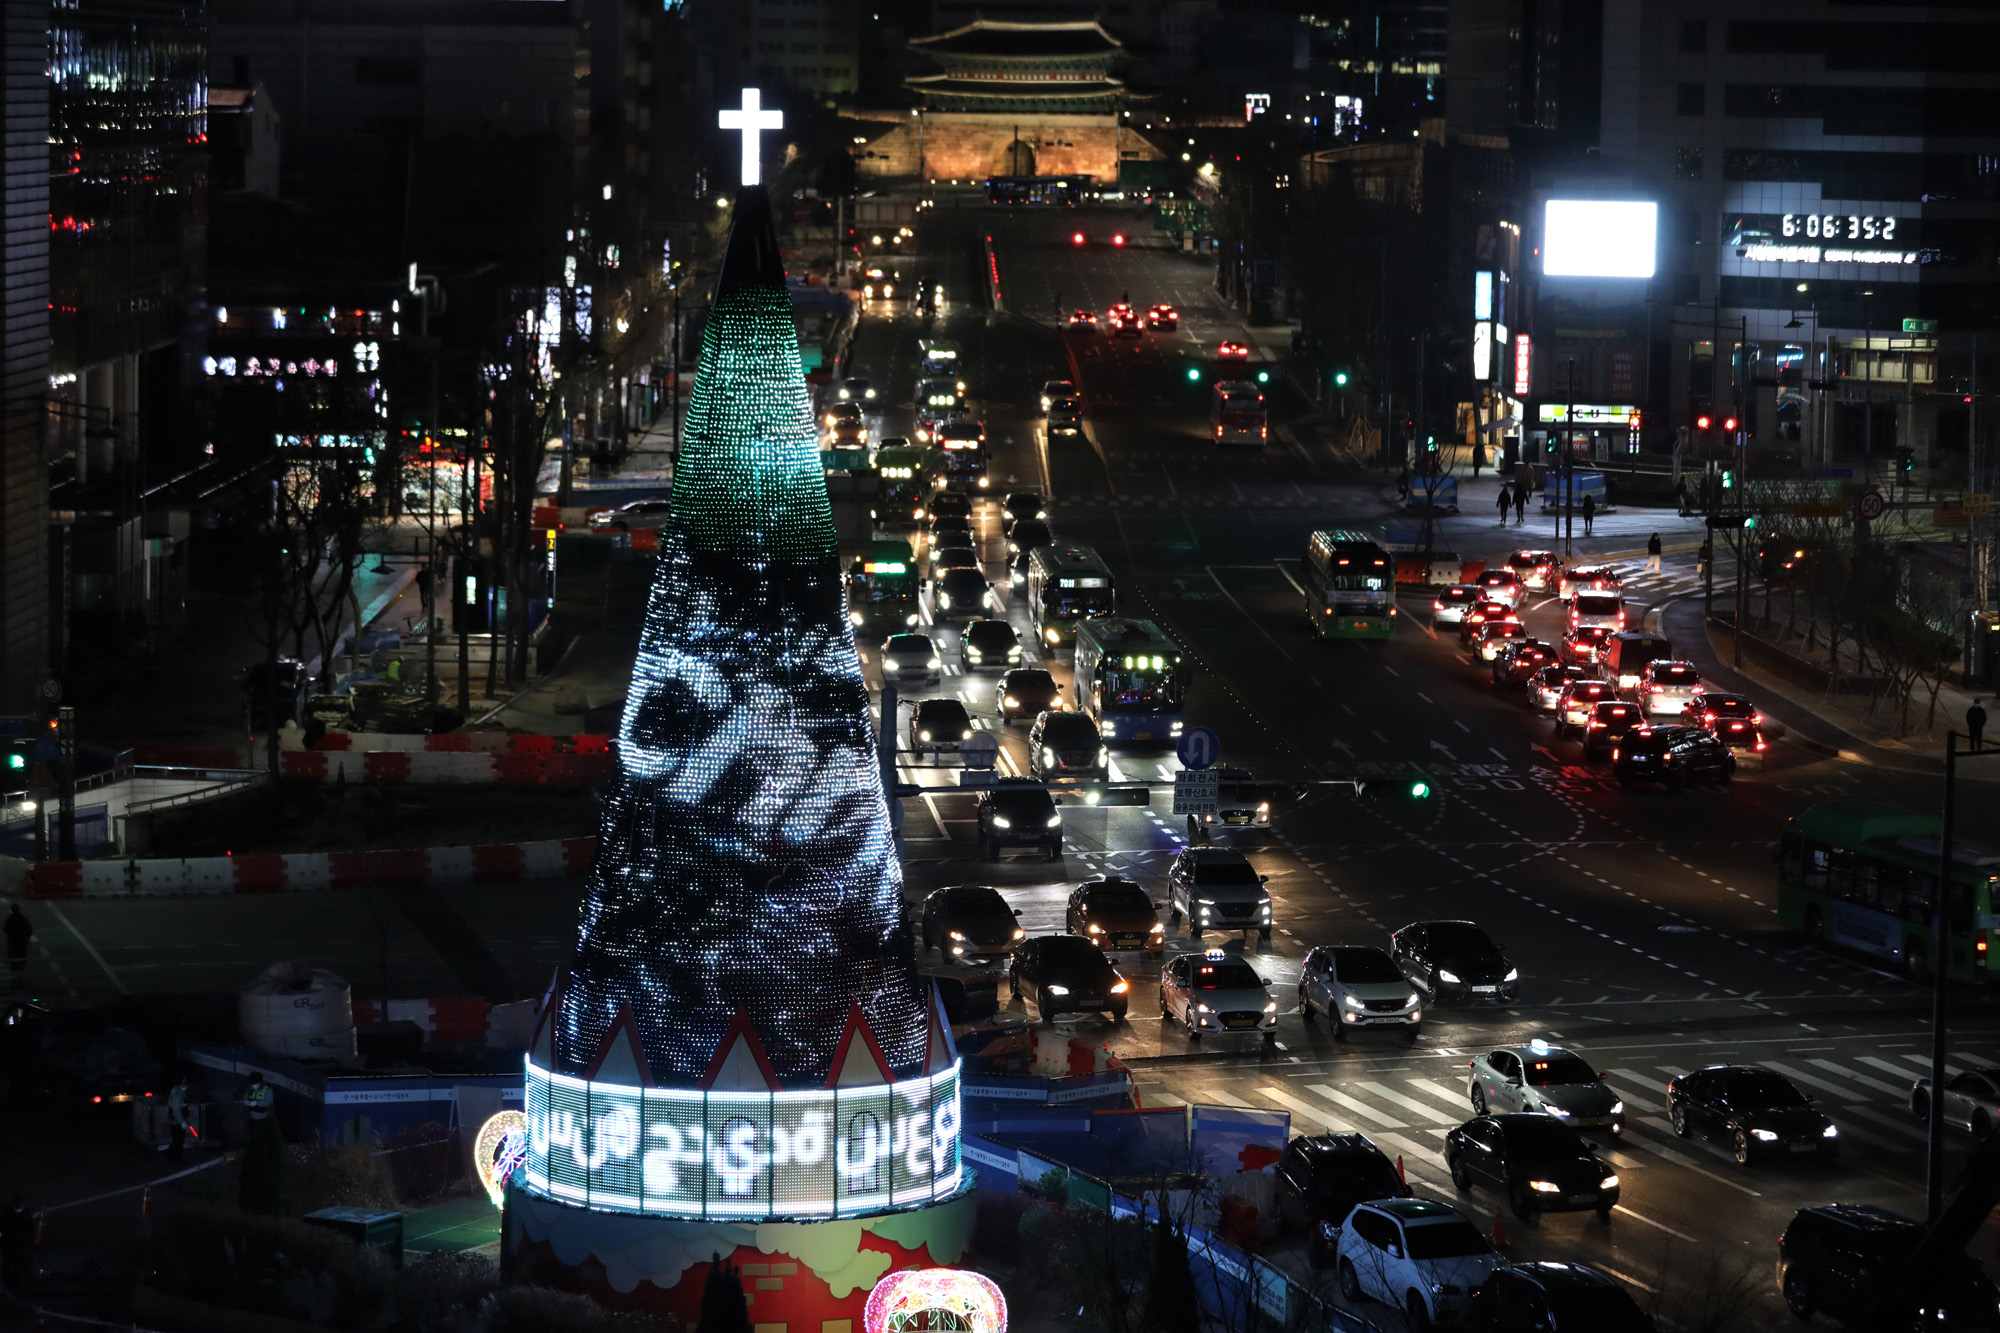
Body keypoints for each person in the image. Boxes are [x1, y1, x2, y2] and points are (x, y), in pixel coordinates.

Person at [0, 1194, 31, 1292]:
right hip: (16, 1242)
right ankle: (16, 1284)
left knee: (12, 1264)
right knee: (15, 1264)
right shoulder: (26, 1212)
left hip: (11, 1242)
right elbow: (30, 1228)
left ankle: (11, 1284)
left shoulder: (7, 1212)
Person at [166, 1074, 192, 1161]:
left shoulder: (180, 1092)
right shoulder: (177, 1094)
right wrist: (182, 1122)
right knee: (179, 1141)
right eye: (184, 1082)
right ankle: (177, 1159)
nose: (185, 1084)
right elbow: (176, 1110)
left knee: (177, 1140)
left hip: (177, 1121)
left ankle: (169, 1153)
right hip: (177, 1122)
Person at [3, 907, 29, 987]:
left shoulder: (9, 920)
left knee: (13, 961)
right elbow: (29, 929)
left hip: (12, 943)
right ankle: (20, 976)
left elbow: (5, 929)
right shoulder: (23, 920)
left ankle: (15, 977)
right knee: (21, 960)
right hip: (21, 943)